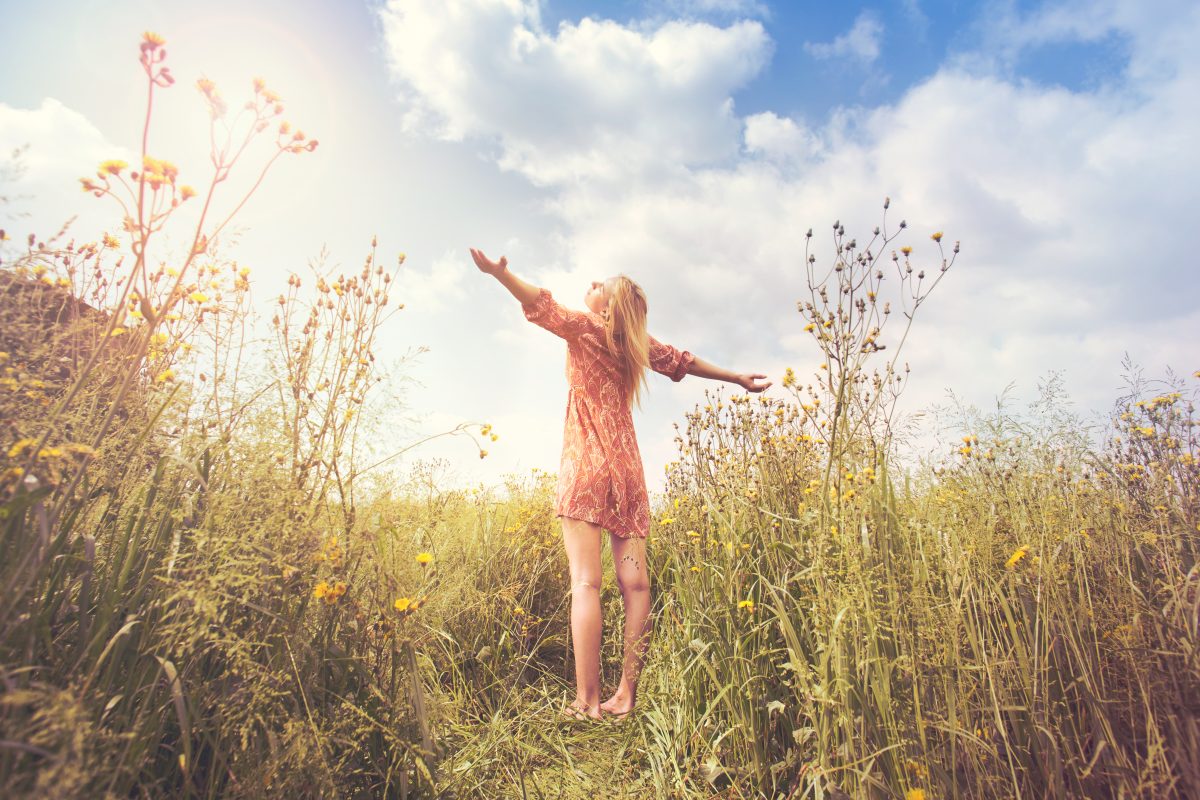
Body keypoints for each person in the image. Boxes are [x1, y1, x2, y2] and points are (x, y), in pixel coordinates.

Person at [469, 247, 772, 722]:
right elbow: (685, 362)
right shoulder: (637, 345)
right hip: (627, 470)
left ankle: (587, 702)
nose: (591, 284)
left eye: (600, 285)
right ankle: (625, 697)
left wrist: (501, 275)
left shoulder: (588, 328)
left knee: (587, 582)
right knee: (636, 585)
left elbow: (540, 303)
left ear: (608, 307)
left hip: (587, 467)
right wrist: (736, 377)